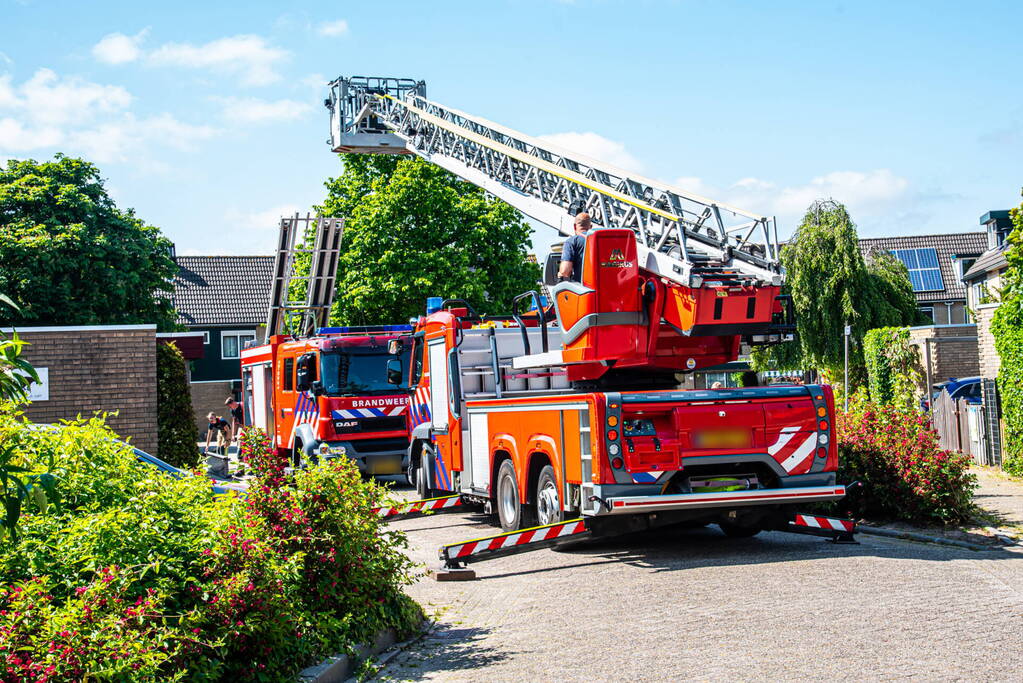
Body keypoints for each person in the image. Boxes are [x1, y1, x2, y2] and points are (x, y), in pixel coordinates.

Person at [557, 212, 592, 283]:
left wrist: (559, 274)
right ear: (590, 227)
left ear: (574, 226)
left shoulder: (572, 242)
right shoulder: (603, 241)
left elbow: (565, 271)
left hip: (583, 290)